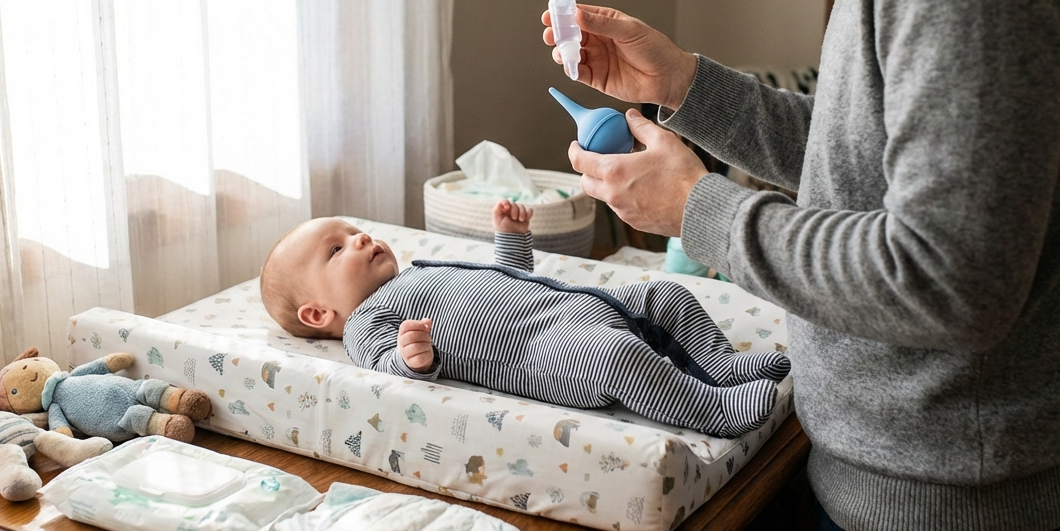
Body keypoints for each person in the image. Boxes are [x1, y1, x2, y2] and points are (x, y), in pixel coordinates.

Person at [545, 0, 1060, 531]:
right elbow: (871, 159)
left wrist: (699, 211)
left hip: (952, 522)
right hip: (961, 484)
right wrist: (688, 86)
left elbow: (945, 276)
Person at [258, 201, 790, 437]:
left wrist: (511, 243)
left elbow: (506, 282)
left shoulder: (418, 269)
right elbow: (382, 364)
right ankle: (711, 408)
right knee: (618, 357)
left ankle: (717, 364)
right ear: (317, 312)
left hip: (574, 304)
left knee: (666, 294)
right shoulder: (365, 321)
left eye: (352, 230)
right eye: (336, 249)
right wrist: (408, 357)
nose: (360, 238)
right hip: (550, 351)